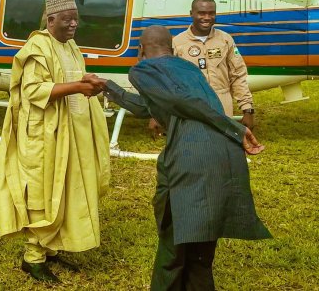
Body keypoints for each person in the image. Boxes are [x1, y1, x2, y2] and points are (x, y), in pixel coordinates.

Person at [103, 25, 271, 290]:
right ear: (172, 49)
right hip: (222, 156)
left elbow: (184, 103)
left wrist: (236, 127)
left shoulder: (143, 70)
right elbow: (151, 106)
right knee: (202, 246)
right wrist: (106, 87)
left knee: (174, 243)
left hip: (192, 156)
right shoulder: (189, 70)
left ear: (140, 50)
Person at [0, 0, 111, 283]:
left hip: (69, 130)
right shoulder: (37, 48)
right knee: (43, 192)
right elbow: (34, 91)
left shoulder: (71, 46)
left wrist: (87, 82)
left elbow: (70, 78)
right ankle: (32, 259)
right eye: (67, 19)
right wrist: (77, 87)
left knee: (66, 187)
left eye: (76, 18)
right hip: (43, 134)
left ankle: (50, 248)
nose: (73, 24)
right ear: (50, 19)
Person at [172, 0, 255, 129]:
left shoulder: (225, 40)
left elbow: (238, 75)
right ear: (191, 14)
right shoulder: (177, 43)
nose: (207, 18)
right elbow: (169, 81)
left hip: (222, 105)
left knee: (222, 146)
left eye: (211, 13)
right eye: (202, 13)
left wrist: (247, 109)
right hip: (191, 106)